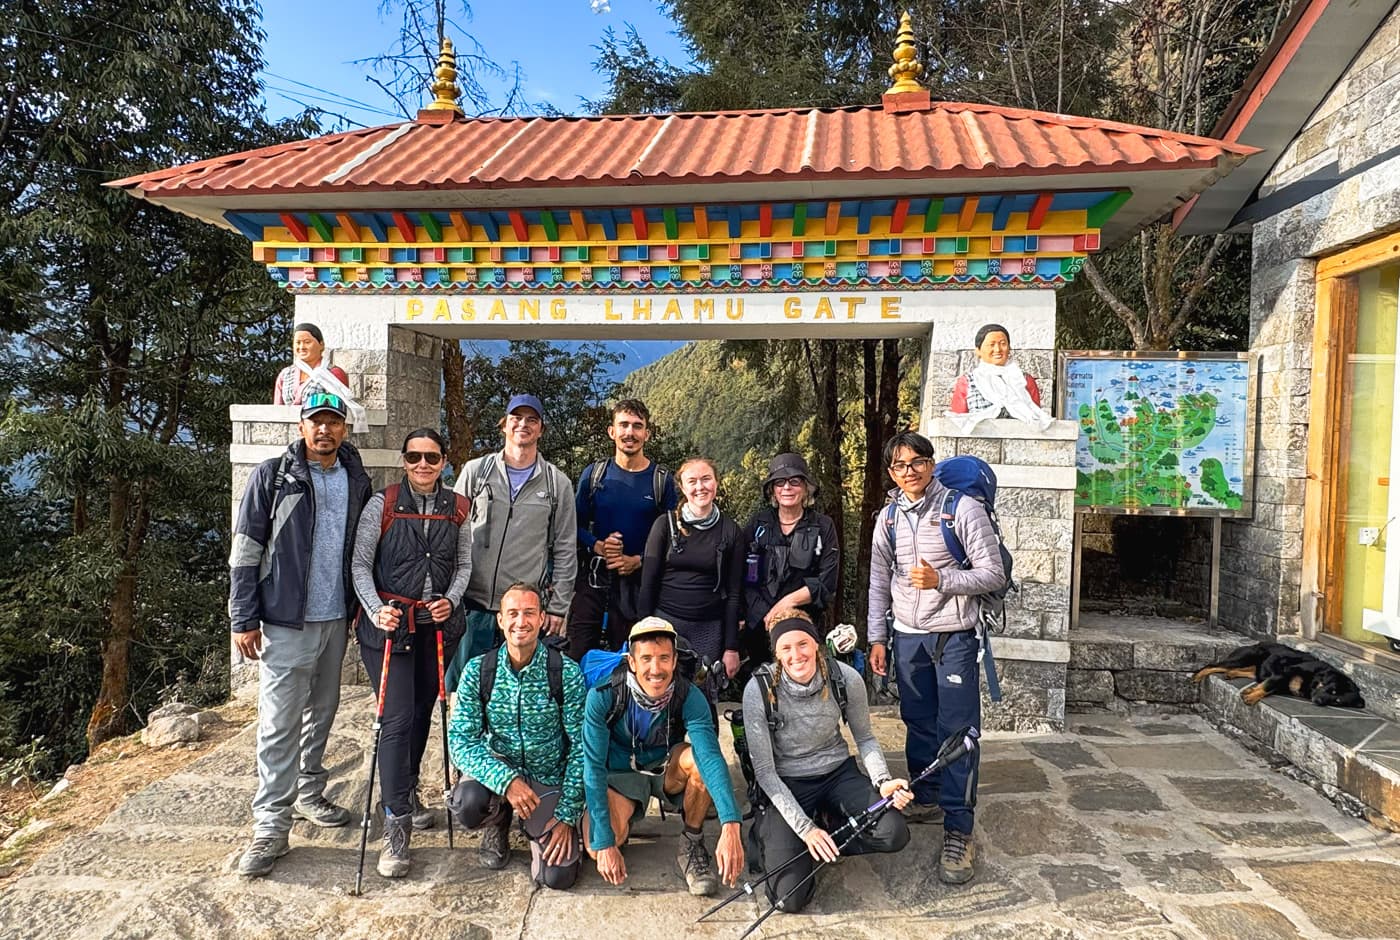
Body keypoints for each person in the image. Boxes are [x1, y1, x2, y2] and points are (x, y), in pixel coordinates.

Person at [229, 391, 372, 877]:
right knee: (278, 723)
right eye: (317, 421)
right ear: (302, 425)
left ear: (345, 429)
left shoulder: (356, 480)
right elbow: (246, 547)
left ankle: (310, 793)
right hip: (285, 619)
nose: (325, 430)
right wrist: (242, 615)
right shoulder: (274, 476)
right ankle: (270, 826)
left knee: (322, 713)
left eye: (333, 422)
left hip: (335, 618)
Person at [867, 430, 1006, 886]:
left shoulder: (960, 509)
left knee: (958, 732)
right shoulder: (887, 518)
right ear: (891, 472)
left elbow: (992, 573)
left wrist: (942, 580)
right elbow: (878, 582)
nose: (910, 472)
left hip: (954, 636)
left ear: (931, 463)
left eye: (917, 462)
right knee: (918, 719)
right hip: (907, 636)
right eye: (900, 466)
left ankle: (958, 829)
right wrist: (877, 637)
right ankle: (926, 794)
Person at [350, 428, 472, 878]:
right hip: (390, 626)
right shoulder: (381, 505)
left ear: (444, 462)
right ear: (404, 461)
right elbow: (361, 564)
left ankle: (409, 791)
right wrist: (376, 609)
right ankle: (395, 824)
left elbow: (463, 565)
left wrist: (452, 600)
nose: (423, 465)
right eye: (415, 457)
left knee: (423, 711)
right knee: (397, 718)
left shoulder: (457, 508)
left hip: (435, 626)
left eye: (432, 457)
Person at [745, 611, 912, 913]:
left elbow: (865, 738)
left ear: (817, 644)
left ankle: (826, 830)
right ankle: (783, 836)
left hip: (837, 773)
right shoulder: (759, 690)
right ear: (776, 653)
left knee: (894, 831)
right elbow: (766, 773)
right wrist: (805, 829)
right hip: (788, 782)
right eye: (786, 648)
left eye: (803, 644)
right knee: (788, 899)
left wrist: (883, 781)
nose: (797, 655)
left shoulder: (845, 679)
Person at [581, 617, 745, 897]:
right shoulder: (604, 695)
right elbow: (593, 767)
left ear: (674, 660)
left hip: (665, 765)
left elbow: (710, 755)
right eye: (646, 659)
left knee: (697, 763)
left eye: (663, 658)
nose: (655, 669)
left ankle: (692, 841)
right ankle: (619, 814)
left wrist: (731, 824)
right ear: (631, 662)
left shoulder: (688, 695)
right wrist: (606, 842)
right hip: (620, 774)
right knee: (597, 848)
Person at [447, 582, 585, 889]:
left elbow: (581, 748)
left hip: (547, 778)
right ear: (500, 619)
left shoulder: (565, 672)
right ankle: (499, 821)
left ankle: (540, 826)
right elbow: (460, 742)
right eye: (512, 613)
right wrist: (506, 782)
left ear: (541, 618)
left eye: (528, 613)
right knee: (469, 803)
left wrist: (566, 816)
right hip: (500, 771)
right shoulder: (478, 671)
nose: (520, 622)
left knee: (558, 878)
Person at [450, 394, 577, 681]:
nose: (524, 424)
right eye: (516, 418)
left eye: (532, 420)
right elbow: (451, 530)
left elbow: (566, 548)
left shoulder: (557, 484)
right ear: (504, 425)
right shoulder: (476, 472)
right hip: (473, 606)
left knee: (520, 695)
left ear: (541, 429)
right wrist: (450, 593)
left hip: (523, 613)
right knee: (467, 693)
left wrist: (558, 607)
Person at [567, 399, 677, 660]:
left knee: (630, 658)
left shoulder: (661, 481)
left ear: (647, 434)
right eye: (624, 425)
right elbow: (574, 525)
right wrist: (597, 546)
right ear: (611, 431)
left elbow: (672, 538)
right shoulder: (595, 474)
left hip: (639, 586)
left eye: (637, 426)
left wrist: (637, 561)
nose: (630, 433)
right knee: (577, 654)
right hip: (594, 580)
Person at [637, 457, 744, 690]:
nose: (700, 487)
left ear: (716, 483)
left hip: (709, 627)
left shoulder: (730, 531)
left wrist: (731, 647)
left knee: (702, 696)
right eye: (692, 481)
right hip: (665, 623)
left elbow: (735, 593)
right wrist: (643, 635)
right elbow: (648, 584)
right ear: (683, 487)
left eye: (706, 479)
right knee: (660, 694)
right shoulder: (664, 525)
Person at [739, 453, 840, 671]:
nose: (787, 488)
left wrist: (786, 605)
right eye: (780, 482)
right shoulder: (758, 525)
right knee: (763, 690)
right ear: (772, 490)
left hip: (804, 625)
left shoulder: (823, 526)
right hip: (760, 626)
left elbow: (827, 582)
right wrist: (764, 615)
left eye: (795, 481)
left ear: (806, 488)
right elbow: (741, 576)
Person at [946, 323, 1051, 432]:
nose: (997, 349)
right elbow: (958, 421)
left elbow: (1036, 415)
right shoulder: (968, 382)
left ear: (1009, 348)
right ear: (978, 350)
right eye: (991, 344)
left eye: (1003, 344)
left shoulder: (1024, 380)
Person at [272, 322, 351, 406]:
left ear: (321, 345)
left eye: (307, 342)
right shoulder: (285, 375)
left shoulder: (334, 374)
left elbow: (339, 410)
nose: (302, 347)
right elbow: (277, 409)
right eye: (298, 343)